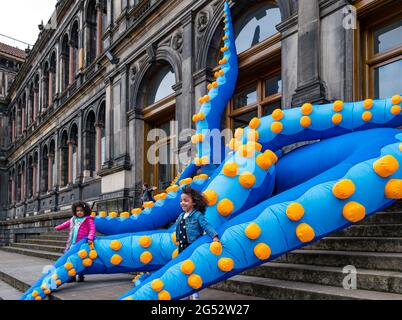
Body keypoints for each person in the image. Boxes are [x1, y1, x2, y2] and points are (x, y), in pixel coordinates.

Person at [175, 186, 220, 300]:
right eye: (181, 201)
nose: (182, 203)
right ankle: (186, 293)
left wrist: (214, 236)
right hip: (182, 246)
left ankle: (195, 292)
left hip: (192, 246)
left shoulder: (197, 215)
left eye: (186, 200)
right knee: (184, 269)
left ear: (194, 202)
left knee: (194, 269)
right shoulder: (180, 216)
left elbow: (206, 225)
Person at [54, 201, 96, 283]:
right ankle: (72, 276)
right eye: (77, 211)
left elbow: (92, 229)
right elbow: (65, 224)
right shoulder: (73, 219)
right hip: (72, 244)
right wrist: (57, 227)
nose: (79, 212)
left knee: (80, 260)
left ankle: (81, 275)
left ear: (85, 211)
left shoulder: (88, 219)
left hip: (82, 244)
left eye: (81, 210)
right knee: (70, 260)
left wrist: (90, 237)